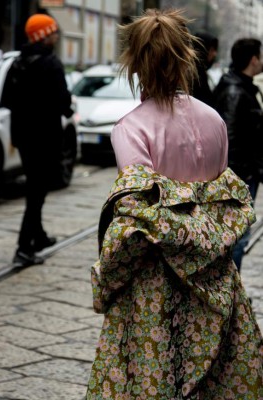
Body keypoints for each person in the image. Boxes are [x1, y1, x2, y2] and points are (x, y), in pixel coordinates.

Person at [86, 9, 263, 399]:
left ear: (134, 64)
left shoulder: (131, 129)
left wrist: (107, 280)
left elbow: (135, 221)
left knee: (155, 380)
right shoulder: (214, 120)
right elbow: (221, 203)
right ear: (187, 56)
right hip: (216, 280)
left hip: (155, 291)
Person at [0, 14, 73, 267]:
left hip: (23, 138)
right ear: (43, 36)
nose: (56, 37)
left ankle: (39, 237)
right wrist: (67, 108)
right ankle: (23, 249)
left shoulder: (18, 63)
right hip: (45, 139)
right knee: (36, 194)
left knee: (34, 186)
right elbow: (64, 103)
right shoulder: (51, 64)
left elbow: (6, 101)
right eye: (53, 33)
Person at [214, 38, 263, 272]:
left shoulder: (241, 87)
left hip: (242, 175)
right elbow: (230, 140)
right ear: (254, 59)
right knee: (238, 236)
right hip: (239, 178)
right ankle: (230, 295)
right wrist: (244, 174)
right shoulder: (236, 91)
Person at [192, 31, 218, 107]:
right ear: (203, 49)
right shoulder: (195, 75)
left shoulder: (202, 73)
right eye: (212, 50)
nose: (214, 54)